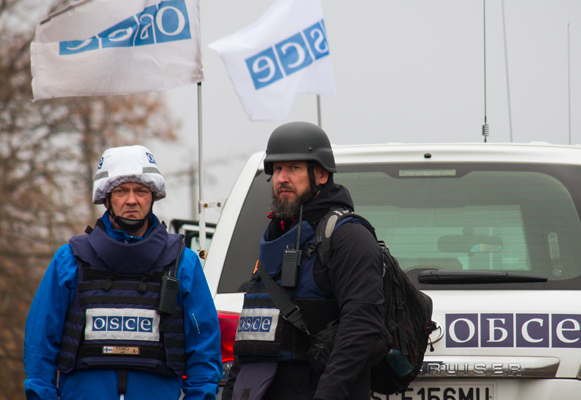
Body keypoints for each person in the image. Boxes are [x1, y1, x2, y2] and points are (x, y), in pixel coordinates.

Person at [23, 145, 222, 400]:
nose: (131, 200)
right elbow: (40, 346)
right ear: (106, 198)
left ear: (152, 197)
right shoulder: (69, 260)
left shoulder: (183, 263)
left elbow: (205, 353)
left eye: (140, 191)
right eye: (121, 191)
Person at [224, 122, 389, 400]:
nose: (282, 178)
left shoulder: (347, 236)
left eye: (294, 168)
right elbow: (252, 339)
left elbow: (361, 325)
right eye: (277, 169)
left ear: (321, 174)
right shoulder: (274, 237)